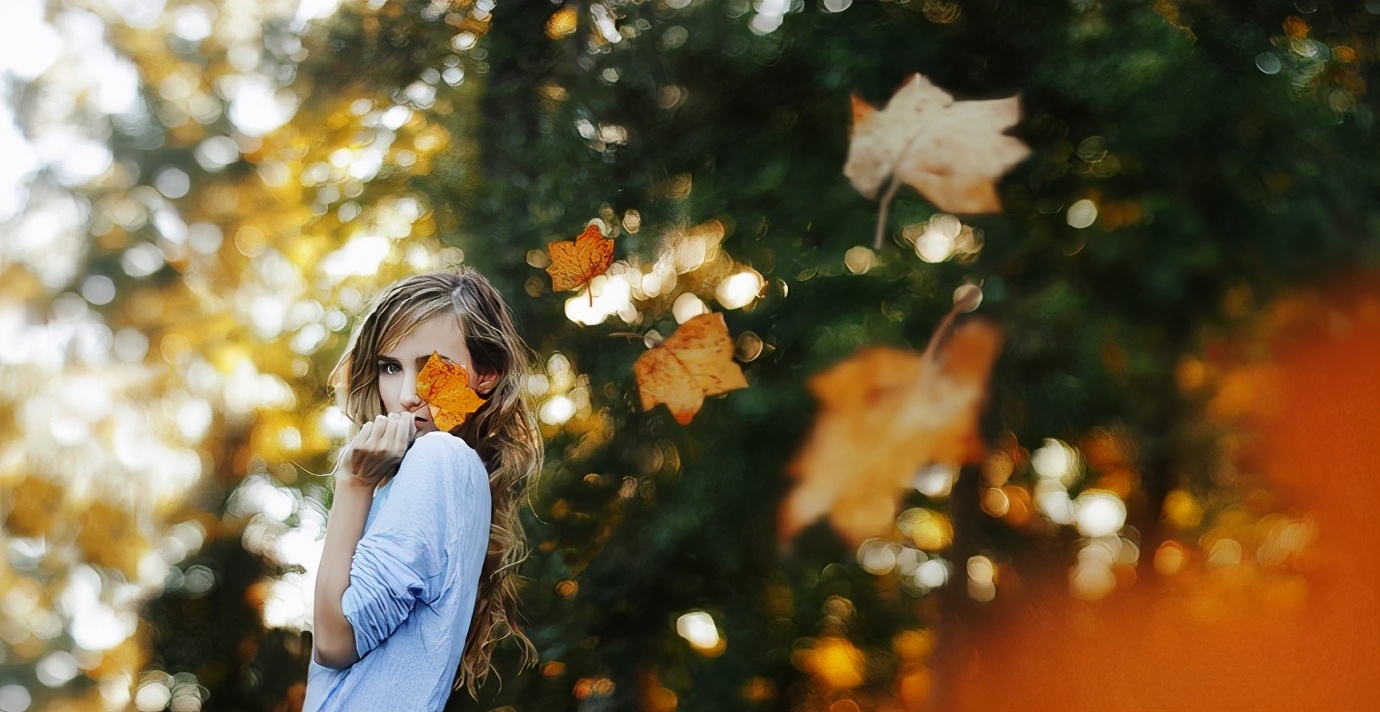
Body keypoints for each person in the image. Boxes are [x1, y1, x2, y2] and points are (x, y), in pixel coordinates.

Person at [304, 269, 542, 711]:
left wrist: (353, 484)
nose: (408, 394)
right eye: (390, 367)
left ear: (486, 373)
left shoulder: (439, 459)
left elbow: (335, 643)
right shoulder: (435, 474)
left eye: (434, 367)